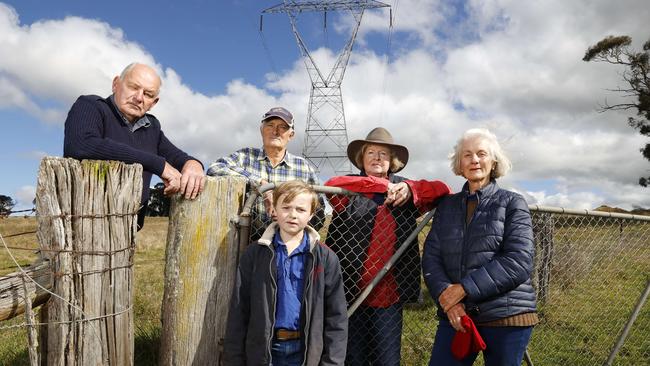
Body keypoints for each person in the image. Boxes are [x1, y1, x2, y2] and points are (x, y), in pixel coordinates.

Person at [324, 127, 452, 366]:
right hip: (351, 293)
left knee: (387, 360)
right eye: (370, 152)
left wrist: (411, 188)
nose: (377, 157)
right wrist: (383, 186)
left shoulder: (406, 191)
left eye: (383, 153)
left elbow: (443, 189)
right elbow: (332, 183)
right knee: (352, 359)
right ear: (361, 159)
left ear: (392, 161)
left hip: (389, 296)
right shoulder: (348, 189)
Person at [422, 128, 538, 366]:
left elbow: (518, 261)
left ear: (493, 161)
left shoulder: (512, 203)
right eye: (467, 155)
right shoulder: (447, 206)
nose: (474, 160)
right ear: (459, 163)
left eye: (481, 153)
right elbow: (432, 257)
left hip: (506, 315)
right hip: (457, 316)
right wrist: (450, 300)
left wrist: (463, 289)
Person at [63, 63, 205, 229]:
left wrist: (193, 165)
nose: (139, 97)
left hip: (127, 234)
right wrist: (157, 164)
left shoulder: (151, 127)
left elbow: (177, 157)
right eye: (133, 87)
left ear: (154, 102)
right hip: (81, 226)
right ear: (116, 84)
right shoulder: (91, 106)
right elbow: (82, 144)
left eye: (148, 94)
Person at [223, 180, 347, 365]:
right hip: (264, 349)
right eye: (286, 207)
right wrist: (235, 359)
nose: (292, 215)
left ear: (311, 214)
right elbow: (239, 309)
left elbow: (336, 317)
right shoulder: (255, 253)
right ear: (274, 209)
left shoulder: (326, 257)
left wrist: (332, 362)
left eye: (301, 209)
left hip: (305, 350)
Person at [206, 107, 324, 239]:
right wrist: (260, 184)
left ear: (291, 135)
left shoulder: (303, 167)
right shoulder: (245, 157)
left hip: (288, 244)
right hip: (247, 242)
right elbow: (215, 168)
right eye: (270, 126)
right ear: (262, 130)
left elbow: (318, 210)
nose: (275, 131)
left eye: (282, 127)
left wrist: (294, 227)